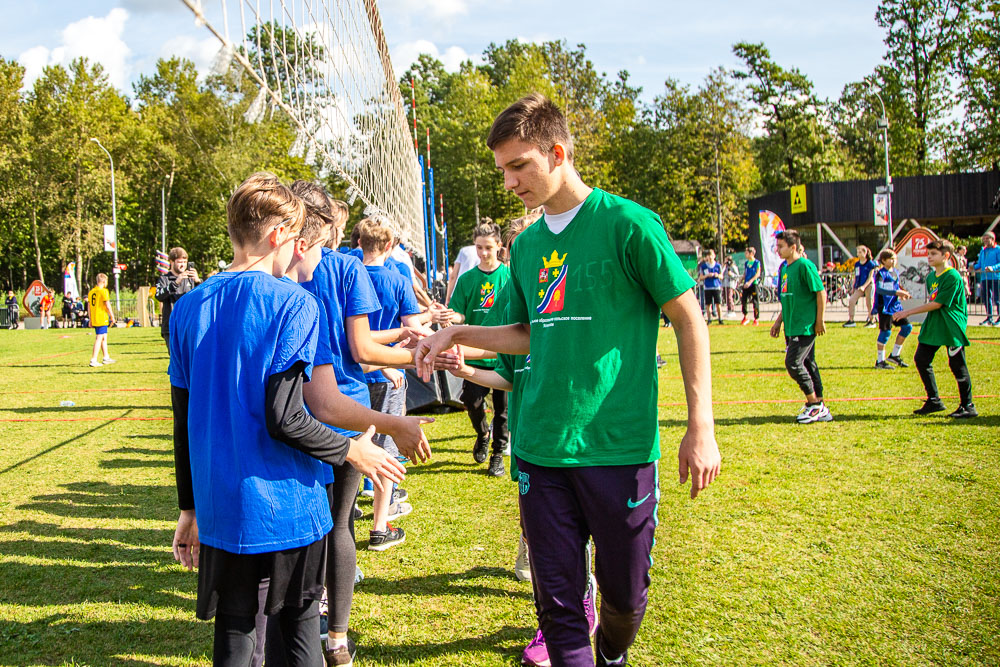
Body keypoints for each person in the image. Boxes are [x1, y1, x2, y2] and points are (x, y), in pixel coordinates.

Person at [413, 93, 720, 667]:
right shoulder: (525, 247)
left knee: (626, 601)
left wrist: (700, 425)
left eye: (519, 165)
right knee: (557, 608)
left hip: (618, 447)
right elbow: (533, 332)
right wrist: (456, 336)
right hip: (540, 449)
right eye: (502, 168)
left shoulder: (630, 225)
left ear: (557, 153)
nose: (508, 182)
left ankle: (612, 651)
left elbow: (689, 319)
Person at [169, 172, 403, 667]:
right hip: (287, 506)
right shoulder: (292, 301)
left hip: (220, 506)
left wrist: (188, 509)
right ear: (278, 234)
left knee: (234, 635)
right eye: (296, 238)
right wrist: (352, 448)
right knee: (297, 635)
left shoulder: (187, 307)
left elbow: (181, 419)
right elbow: (284, 416)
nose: (298, 251)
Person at [357, 217, 424, 551]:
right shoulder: (397, 279)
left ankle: (349, 506)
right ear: (389, 246)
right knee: (385, 448)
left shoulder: (345, 274)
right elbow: (412, 329)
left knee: (353, 443)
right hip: (388, 373)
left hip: (350, 375)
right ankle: (380, 527)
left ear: (359, 242)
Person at [438, 219, 511, 476]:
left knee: (503, 410)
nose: (483, 253)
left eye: (488, 248)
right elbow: (459, 313)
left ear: (499, 247)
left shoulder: (509, 277)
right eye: (479, 247)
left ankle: (498, 454)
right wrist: (451, 317)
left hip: (504, 356)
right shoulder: (468, 279)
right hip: (474, 354)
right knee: (473, 401)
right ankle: (482, 433)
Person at [893, 239, 977, 418]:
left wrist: (907, 312)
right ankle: (934, 400)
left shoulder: (952, 276)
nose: (929, 257)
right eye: (928, 254)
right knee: (921, 359)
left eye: (933, 254)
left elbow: (938, 303)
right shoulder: (931, 277)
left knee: (957, 364)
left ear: (946, 255)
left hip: (950, 325)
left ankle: (968, 405)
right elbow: (933, 301)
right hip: (935, 324)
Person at [770, 230, 831, 423]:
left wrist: (819, 320)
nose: (777, 250)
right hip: (791, 325)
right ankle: (820, 404)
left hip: (805, 326)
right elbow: (787, 298)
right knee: (807, 363)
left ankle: (813, 404)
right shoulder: (784, 268)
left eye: (781, 246)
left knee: (793, 363)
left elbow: (820, 293)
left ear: (793, 247)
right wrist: (779, 321)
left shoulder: (805, 265)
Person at [871, 249, 913, 370]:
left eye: (895, 258)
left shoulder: (895, 272)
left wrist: (902, 293)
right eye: (891, 259)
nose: (894, 261)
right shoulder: (881, 273)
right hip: (885, 307)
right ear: (883, 260)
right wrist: (896, 292)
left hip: (895, 306)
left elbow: (896, 286)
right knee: (886, 332)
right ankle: (880, 361)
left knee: (907, 327)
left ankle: (894, 355)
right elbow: (879, 290)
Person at [156, 247, 201, 347]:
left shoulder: (191, 279)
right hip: (171, 326)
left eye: (185, 262)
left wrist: (198, 282)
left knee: (190, 359)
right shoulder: (164, 279)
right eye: (180, 262)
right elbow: (159, 296)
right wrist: (176, 283)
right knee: (175, 360)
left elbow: (202, 297)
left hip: (189, 325)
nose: (183, 265)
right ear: (171, 262)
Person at [844, 245, 877, 327]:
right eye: (857, 252)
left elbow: (870, 277)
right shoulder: (857, 264)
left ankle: (871, 320)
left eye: (860, 252)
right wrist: (853, 287)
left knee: (869, 302)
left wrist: (864, 286)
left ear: (865, 253)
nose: (858, 254)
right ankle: (851, 320)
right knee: (852, 300)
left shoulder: (871, 264)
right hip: (859, 286)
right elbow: (856, 276)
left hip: (868, 285)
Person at [87, 274, 116, 367]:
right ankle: (93, 359)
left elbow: (89, 306)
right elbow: (107, 305)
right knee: (99, 338)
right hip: (101, 317)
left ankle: (106, 357)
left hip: (95, 317)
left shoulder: (92, 292)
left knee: (104, 337)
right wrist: (112, 316)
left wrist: (90, 318)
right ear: (104, 281)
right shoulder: (103, 291)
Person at [972, 231, 999, 326]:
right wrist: (973, 267)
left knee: (997, 298)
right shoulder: (983, 250)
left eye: (987, 239)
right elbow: (980, 264)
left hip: (996, 277)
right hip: (984, 278)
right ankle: (989, 317)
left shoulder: (998, 249)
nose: (985, 241)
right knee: (986, 298)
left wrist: (993, 268)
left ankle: (999, 317)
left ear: (993, 239)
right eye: (984, 239)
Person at [698, 249, 723, 324]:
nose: (710, 257)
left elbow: (721, 276)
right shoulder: (704, 266)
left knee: (718, 303)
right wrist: (707, 275)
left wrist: (717, 275)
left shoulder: (718, 266)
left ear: (714, 256)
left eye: (711, 255)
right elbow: (701, 277)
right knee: (708, 304)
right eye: (708, 256)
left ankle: (720, 319)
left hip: (716, 286)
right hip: (707, 287)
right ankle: (709, 319)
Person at [740, 247, 761, 325]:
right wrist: (741, 280)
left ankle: (756, 318)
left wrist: (750, 281)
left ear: (751, 253)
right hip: (746, 284)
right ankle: (745, 316)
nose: (745, 255)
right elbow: (745, 273)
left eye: (747, 253)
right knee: (744, 300)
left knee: (755, 301)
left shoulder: (757, 262)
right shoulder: (746, 263)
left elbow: (757, 273)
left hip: (753, 284)